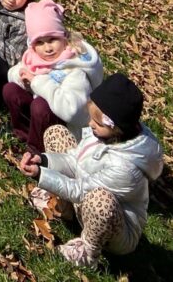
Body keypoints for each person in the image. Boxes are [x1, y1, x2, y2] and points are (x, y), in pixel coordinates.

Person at [19, 74, 164, 268]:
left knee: (100, 202)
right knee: (56, 133)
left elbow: (80, 190)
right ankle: (64, 209)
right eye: (91, 117)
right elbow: (74, 160)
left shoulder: (126, 169)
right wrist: (44, 161)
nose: (90, 124)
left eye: (98, 122)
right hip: (83, 192)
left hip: (111, 225)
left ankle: (88, 251)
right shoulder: (106, 134)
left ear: (117, 128)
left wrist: (41, 174)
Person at [3, 0, 103, 152]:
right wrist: (23, 77)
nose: (47, 48)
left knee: (40, 105)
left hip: (66, 129)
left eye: (52, 40)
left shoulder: (74, 67)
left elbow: (72, 112)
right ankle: (23, 134)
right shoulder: (35, 57)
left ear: (63, 38)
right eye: (40, 42)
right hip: (41, 118)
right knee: (11, 89)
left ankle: (37, 151)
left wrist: (37, 81)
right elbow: (14, 73)